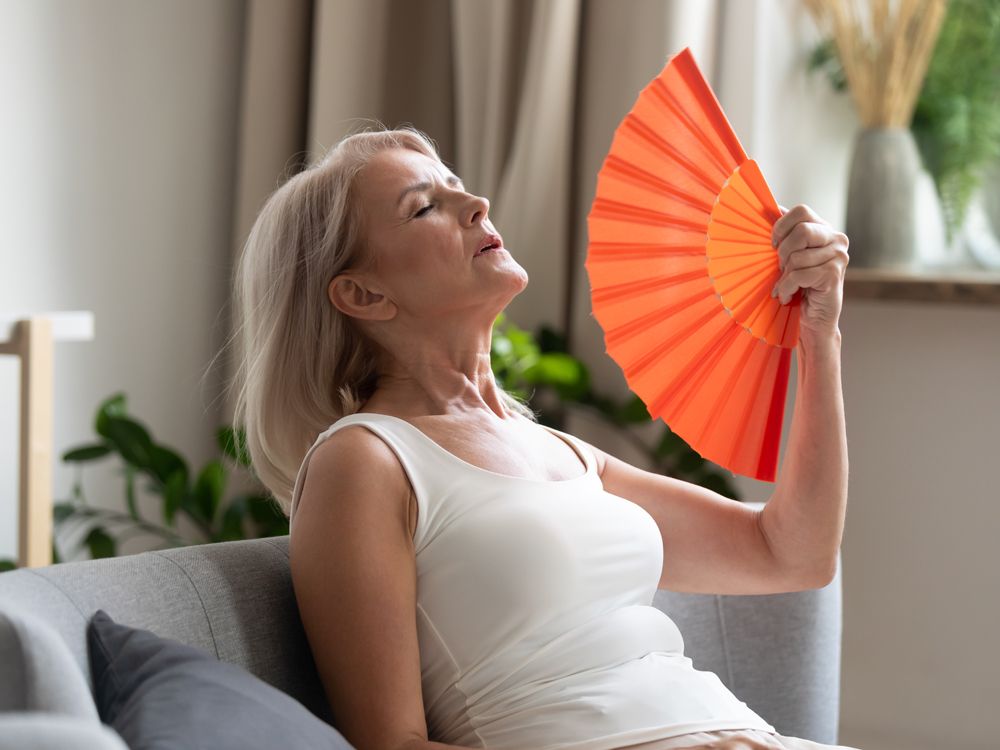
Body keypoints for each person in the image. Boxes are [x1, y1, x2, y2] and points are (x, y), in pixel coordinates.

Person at [229, 124, 857, 750]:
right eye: (425, 207)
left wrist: (818, 336)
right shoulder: (366, 460)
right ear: (363, 294)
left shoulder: (559, 452)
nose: (476, 205)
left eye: (459, 188)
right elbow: (393, 747)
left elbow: (790, 554)